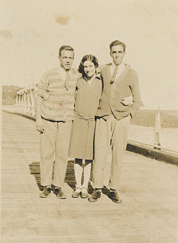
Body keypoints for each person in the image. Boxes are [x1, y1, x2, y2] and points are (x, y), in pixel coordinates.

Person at [90, 40, 142, 203]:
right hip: (104, 116)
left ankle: (113, 189)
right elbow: (88, 76)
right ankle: (97, 188)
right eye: (114, 52)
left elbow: (138, 100)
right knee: (99, 151)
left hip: (122, 117)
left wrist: (130, 113)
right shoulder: (103, 69)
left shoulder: (132, 73)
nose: (117, 55)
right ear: (110, 53)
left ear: (124, 54)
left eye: (120, 52)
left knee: (118, 153)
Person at [36, 45, 79, 199]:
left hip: (66, 120)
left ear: (73, 59)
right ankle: (46, 185)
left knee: (62, 154)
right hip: (48, 119)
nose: (67, 60)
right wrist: (38, 118)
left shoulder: (77, 75)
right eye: (65, 57)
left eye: (70, 57)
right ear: (59, 58)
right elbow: (39, 94)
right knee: (47, 153)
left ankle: (58, 186)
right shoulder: (49, 74)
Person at [69, 55, 102, 198]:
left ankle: (84, 187)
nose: (88, 69)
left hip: (93, 122)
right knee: (77, 155)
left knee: (89, 157)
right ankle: (77, 186)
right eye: (86, 66)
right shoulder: (78, 81)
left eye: (91, 66)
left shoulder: (101, 82)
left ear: (95, 67)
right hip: (79, 120)